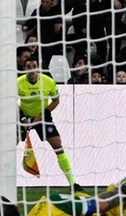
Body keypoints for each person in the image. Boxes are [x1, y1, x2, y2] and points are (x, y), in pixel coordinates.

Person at [16, 57, 81, 189]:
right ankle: (2, 182)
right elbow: (10, 101)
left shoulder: (48, 82)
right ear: (24, 69)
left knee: (57, 144)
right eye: (28, 66)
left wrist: (41, 115)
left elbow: (56, 101)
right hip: (23, 116)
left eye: (34, 66)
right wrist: (22, 118)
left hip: (42, 116)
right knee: (10, 144)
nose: (32, 69)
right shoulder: (18, 83)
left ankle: (72, 182)